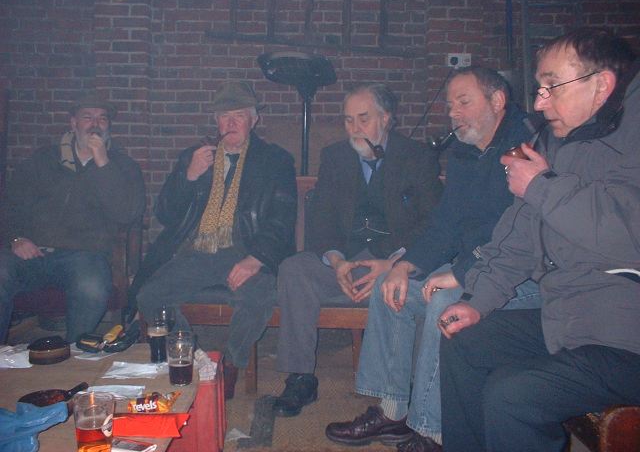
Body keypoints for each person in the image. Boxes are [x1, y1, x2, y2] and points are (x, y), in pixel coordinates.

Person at [438, 28, 640, 452]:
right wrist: (477, 301)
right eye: (539, 88)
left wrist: (541, 186)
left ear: (601, 85)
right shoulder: (551, 141)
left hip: (626, 339)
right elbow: (518, 236)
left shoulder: (631, 139)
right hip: (568, 322)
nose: (539, 102)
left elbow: (628, 231)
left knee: (513, 395)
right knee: (465, 343)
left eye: (552, 86)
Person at [325, 67, 542, 451]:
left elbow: (518, 236)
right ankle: (392, 412)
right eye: (450, 104)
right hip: (474, 265)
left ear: (497, 101)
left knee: (443, 302)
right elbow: (444, 225)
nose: (453, 112)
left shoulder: (528, 147)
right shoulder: (463, 153)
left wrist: (461, 272)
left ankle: (433, 431)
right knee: (391, 287)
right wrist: (405, 266)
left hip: (525, 276)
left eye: (464, 102)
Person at [272, 83, 443, 417]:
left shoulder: (417, 156)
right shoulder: (335, 156)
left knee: (409, 282)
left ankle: (401, 390)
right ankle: (301, 377)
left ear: (386, 118)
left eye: (363, 119)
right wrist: (336, 260)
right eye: (348, 120)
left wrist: (394, 261)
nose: (355, 128)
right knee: (294, 269)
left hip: (394, 261)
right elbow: (320, 217)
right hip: (346, 260)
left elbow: (433, 222)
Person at [134, 81, 297, 399]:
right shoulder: (195, 157)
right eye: (225, 116)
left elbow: (282, 218)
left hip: (246, 251)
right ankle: (193, 356)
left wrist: (256, 259)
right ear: (216, 121)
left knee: (259, 295)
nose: (231, 123)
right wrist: (189, 176)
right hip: (198, 252)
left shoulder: (275, 161)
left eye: (239, 115)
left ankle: (230, 365)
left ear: (254, 120)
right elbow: (165, 213)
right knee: (149, 295)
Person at [0, 94, 145, 344]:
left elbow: (127, 214)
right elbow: (11, 204)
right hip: (32, 252)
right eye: (87, 117)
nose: (95, 124)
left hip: (84, 256)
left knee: (91, 286)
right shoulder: (44, 159)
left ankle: (74, 353)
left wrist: (103, 163)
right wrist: (16, 238)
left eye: (102, 118)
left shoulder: (123, 166)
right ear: (73, 123)